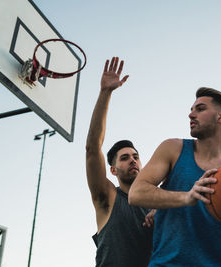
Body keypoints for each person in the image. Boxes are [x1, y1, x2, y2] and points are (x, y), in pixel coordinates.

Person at [129, 87, 221, 267]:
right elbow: (136, 194)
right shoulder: (173, 149)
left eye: (200, 109)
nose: (191, 115)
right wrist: (186, 197)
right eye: (192, 109)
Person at [85, 57, 153, 267]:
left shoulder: (157, 202)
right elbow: (92, 148)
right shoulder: (108, 198)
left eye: (135, 156)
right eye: (125, 158)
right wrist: (105, 93)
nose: (132, 160)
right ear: (113, 170)